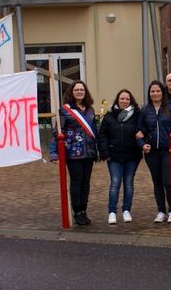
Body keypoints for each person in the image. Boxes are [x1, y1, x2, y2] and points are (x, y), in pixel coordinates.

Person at [49, 81, 97, 226]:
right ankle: (77, 211)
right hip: (73, 152)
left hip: (88, 151)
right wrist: (54, 153)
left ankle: (84, 210)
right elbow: (57, 133)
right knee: (76, 182)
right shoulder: (64, 110)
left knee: (86, 183)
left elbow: (94, 129)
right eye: (77, 89)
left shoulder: (90, 110)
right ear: (72, 92)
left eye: (82, 89)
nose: (80, 92)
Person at [137, 80, 171, 223]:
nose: (155, 94)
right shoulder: (145, 110)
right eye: (152, 91)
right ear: (149, 94)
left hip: (167, 150)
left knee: (169, 181)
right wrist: (142, 144)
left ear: (163, 93)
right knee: (157, 182)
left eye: (158, 91)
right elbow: (139, 131)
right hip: (152, 152)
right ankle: (161, 210)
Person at [97, 89, 142, 224]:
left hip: (132, 155)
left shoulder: (137, 115)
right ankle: (112, 212)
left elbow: (142, 129)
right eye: (122, 99)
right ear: (117, 100)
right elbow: (102, 135)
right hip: (114, 156)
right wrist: (105, 152)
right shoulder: (109, 116)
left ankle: (126, 210)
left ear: (131, 101)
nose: (124, 101)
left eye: (127, 99)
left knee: (128, 183)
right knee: (115, 183)